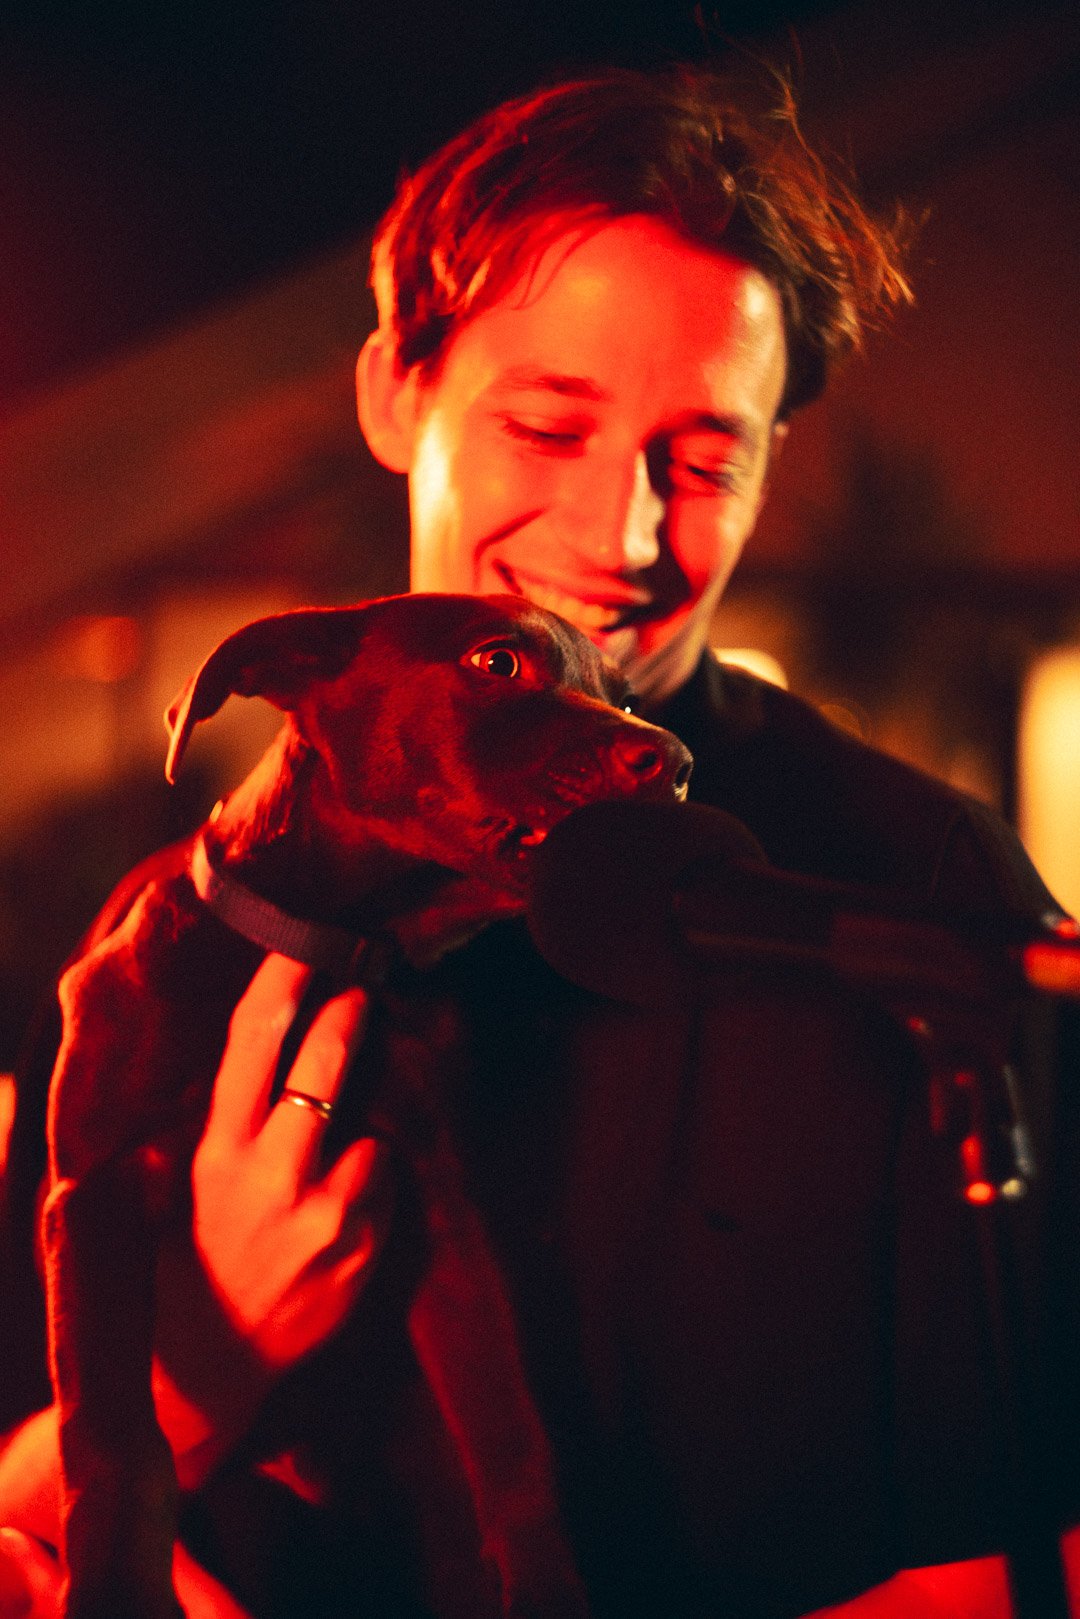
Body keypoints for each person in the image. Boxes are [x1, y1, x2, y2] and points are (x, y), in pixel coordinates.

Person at [1, 64, 1076, 1619]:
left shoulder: (921, 893)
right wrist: (207, 1350)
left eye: (705, 458)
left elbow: (1017, 1570)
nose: (622, 537)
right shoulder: (162, 938)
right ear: (395, 395)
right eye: (548, 424)